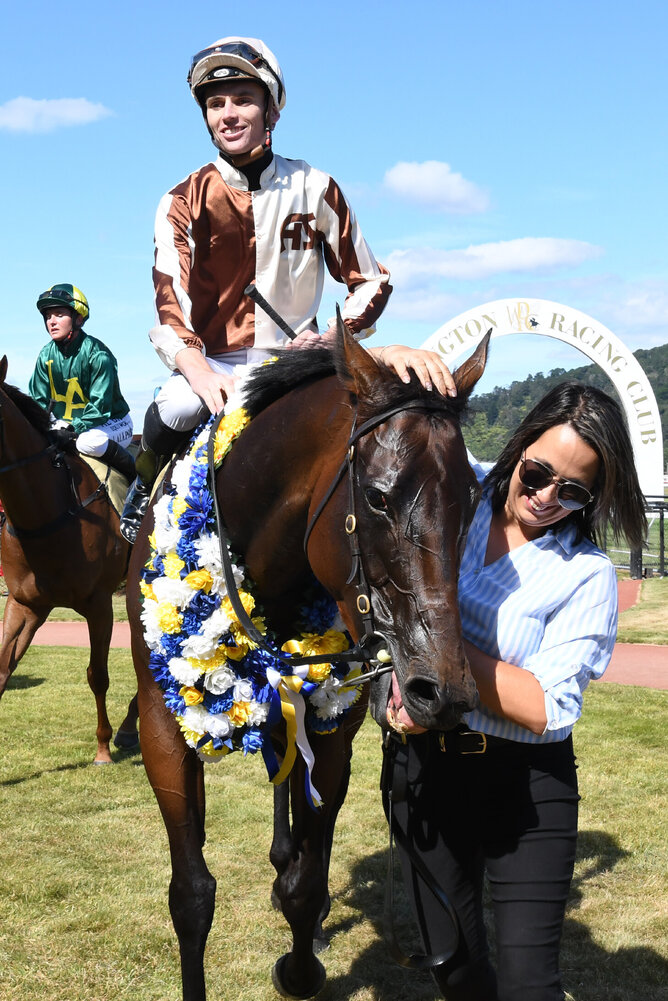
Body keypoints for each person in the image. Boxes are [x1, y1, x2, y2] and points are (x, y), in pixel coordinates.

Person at [120, 36, 452, 543]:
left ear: (271, 108)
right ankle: (144, 490)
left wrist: (332, 339)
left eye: (243, 100)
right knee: (178, 408)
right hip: (215, 363)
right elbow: (171, 303)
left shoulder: (317, 187)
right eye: (215, 104)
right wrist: (199, 371)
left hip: (298, 360)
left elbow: (371, 280)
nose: (228, 115)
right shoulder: (180, 199)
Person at [382, 381, 647, 1001]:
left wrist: (437, 657)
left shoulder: (586, 574)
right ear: (518, 445)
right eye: (538, 472)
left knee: (530, 985)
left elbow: (547, 708)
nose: (547, 497)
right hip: (424, 775)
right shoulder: (455, 490)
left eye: (574, 490)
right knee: (455, 970)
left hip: (525, 790)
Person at [30, 284, 135, 481]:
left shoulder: (98, 355)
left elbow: (99, 409)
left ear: (78, 318)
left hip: (112, 423)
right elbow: (38, 402)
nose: (51, 321)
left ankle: (139, 483)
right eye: (48, 316)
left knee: (88, 443)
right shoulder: (45, 355)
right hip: (68, 425)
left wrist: (70, 429)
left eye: (59, 314)